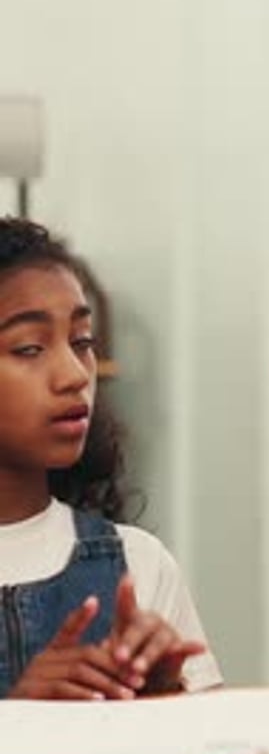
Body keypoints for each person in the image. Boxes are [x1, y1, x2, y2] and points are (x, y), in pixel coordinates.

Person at [0, 216, 221, 699]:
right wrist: (19, 718)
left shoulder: (140, 563)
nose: (75, 375)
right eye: (30, 348)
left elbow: (213, 741)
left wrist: (162, 696)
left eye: (82, 342)